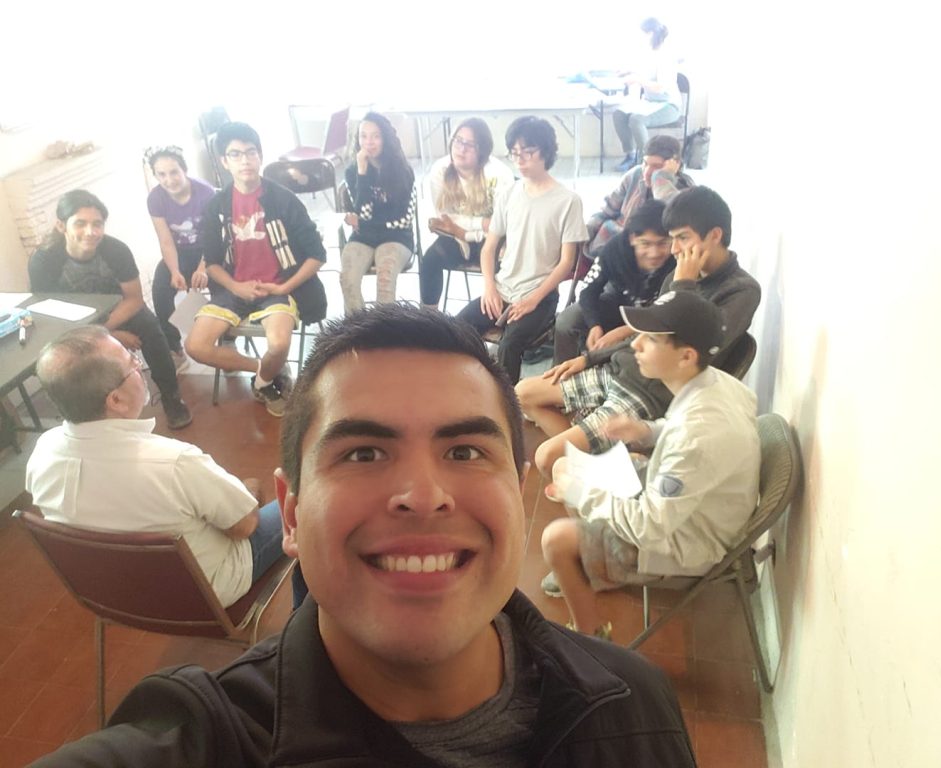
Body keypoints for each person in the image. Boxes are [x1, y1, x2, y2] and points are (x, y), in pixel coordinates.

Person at [30, 304, 698, 767]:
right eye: (363, 453)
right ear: (292, 515)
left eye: (465, 451)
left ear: (519, 495)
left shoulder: (637, 704)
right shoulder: (203, 742)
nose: (423, 496)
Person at [24, 326, 296, 608]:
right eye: (132, 364)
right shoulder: (173, 463)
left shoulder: (42, 453)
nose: (139, 364)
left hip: (117, 596)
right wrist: (249, 490)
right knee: (298, 499)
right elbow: (245, 526)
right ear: (115, 400)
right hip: (204, 594)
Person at [540, 291, 760, 637]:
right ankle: (591, 563)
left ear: (686, 356)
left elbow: (651, 527)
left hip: (688, 541)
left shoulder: (698, 436)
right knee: (567, 466)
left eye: (651, 339)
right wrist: (645, 430)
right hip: (693, 507)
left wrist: (582, 493)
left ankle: (590, 634)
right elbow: (680, 429)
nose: (635, 344)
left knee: (556, 539)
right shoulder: (719, 383)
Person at [516, 186, 761, 477]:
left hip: (650, 391)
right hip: (622, 369)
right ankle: (611, 461)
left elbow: (701, 346)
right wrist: (589, 358)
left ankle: (608, 467)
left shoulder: (741, 290)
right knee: (523, 393)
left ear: (715, 235)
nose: (674, 250)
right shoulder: (676, 274)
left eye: (682, 238)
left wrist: (684, 285)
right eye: (672, 239)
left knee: (547, 458)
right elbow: (645, 333)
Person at [184, 122, 327, 418]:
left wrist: (284, 288)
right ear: (224, 162)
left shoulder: (283, 199)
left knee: (279, 343)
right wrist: (236, 287)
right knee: (195, 346)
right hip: (231, 290)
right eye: (235, 154)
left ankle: (263, 383)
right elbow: (212, 263)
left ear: (260, 156)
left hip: (277, 287)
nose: (245, 160)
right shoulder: (216, 206)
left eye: (250, 152)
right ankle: (267, 374)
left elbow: (317, 255)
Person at [28, 189, 192, 430]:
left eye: (97, 224)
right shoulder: (43, 260)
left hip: (119, 312)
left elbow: (134, 299)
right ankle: (87, 416)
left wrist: (105, 331)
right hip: (74, 325)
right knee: (63, 357)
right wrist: (109, 337)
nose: (90, 231)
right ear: (62, 226)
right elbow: (50, 313)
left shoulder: (116, 250)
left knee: (151, 329)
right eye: (80, 223)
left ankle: (171, 397)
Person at [457, 116, 587, 382]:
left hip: (540, 296)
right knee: (455, 330)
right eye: (515, 153)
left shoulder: (568, 201)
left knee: (509, 345)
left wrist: (532, 300)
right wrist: (489, 287)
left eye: (528, 152)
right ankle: (469, 389)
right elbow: (488, 249)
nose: (520, 160)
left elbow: (566, 263)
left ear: (546, 152)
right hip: (502, 289)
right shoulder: (509, 194)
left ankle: (507, 402)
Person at [553, 198, 675, 364]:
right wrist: (594, 324)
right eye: (645, 244)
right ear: (633, 238)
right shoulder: (614, 249)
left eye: (662, 243)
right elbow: (588, 291)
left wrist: (623, 331)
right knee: (567, 321)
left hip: (658, 317)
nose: (654, 253)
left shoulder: (677, 258)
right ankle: (560, 371)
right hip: (620, 303)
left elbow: (672, 311)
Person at [420, 117, 514, 310]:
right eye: (458, 141)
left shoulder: (499, 174)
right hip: (456, 236)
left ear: (482, 150)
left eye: (470, 145)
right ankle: (428, 317)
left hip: (494, 239)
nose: (461, 149)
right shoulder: (440, 170)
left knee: (503, 268)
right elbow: (446, 218)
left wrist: (469, 232)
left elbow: (501, 224)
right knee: (430, 259)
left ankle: (494, 313)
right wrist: (479, 224)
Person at [144, 145, 217, 369]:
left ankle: (227, 341)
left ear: (184, 170)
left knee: (221, 283)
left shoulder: (206, 193)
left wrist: (203, 268)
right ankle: (174, 346)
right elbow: (166, 241)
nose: (169, 180)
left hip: (212, 250)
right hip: (181, 252)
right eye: (161, 174)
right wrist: (175, 271)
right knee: (160, 287)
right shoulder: (155, 198)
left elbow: (216, 237)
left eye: (174, 172)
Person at [340, 111, 416, 314]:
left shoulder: (403, 170)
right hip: (363, 237)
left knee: (385, 278)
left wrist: (363, 223)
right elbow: (363, 213)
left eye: (375, 136)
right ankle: (358, 329)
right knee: (347, 279)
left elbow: (403, 220)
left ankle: (384, 330)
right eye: (363, 136)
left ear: (385, 139)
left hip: (397, 237)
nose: (369, 142)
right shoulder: (353, 171)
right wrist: (362, 173)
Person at [585, 134, 692, 262]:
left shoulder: (685, 190)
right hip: (612, 249)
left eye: (657, 167)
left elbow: (673, 215)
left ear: (675, 165)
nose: (647, 172)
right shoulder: (634, 175)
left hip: (649, 258)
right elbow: (607, 210)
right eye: (645, 163)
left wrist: (660, 178)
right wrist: (585, 232)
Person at [612, 17, 682, 172]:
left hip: (669, 105)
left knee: (636, 120)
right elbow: (644, 73)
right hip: (650, 102)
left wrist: (637, 79)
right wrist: (627, 72)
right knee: (618, 114)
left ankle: (646, 162)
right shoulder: (648, 54)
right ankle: (630, 155)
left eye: (641, 33)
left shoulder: (666, 56)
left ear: (650, 34)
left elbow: (659, 87)